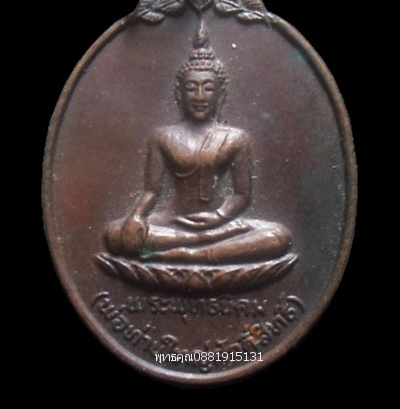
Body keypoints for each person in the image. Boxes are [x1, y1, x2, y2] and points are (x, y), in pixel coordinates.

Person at [105, 23, 292, 264]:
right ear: (179, 94)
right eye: (191, 88)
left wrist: (219, 217)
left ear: (220, 95)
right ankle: (201, 245)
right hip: (174, 222)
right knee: (114, 235)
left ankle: (191, 252)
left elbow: (242, 195)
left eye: (208, 88)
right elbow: (152, 191)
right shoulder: (162, 136)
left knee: (278, 236)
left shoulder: (236, 138)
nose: (200, 96)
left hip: (220, 223)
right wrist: (136, 217)